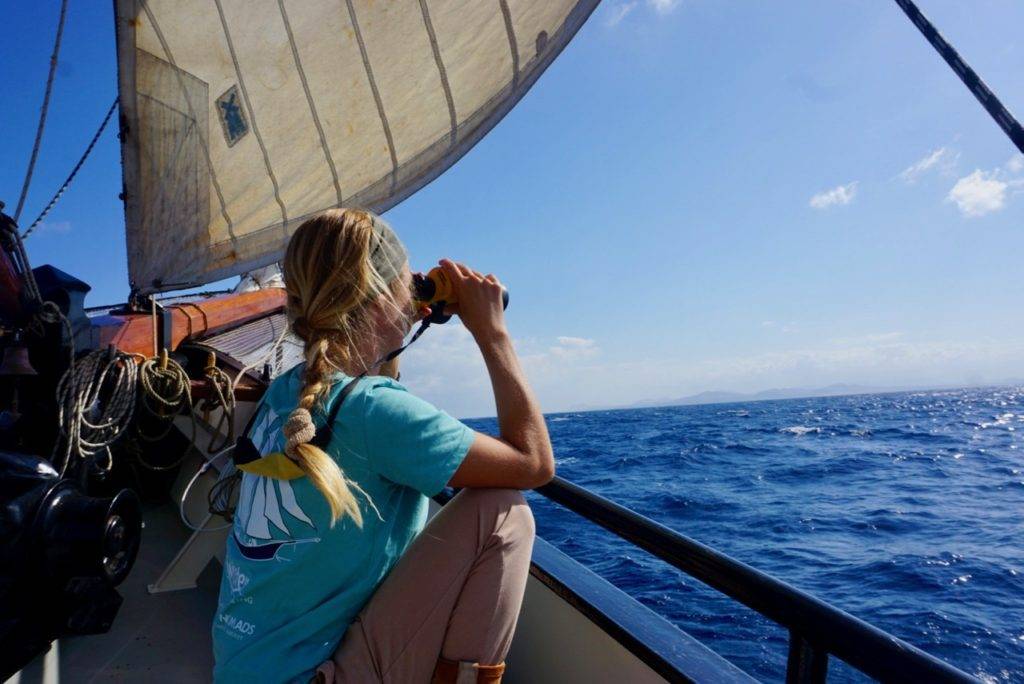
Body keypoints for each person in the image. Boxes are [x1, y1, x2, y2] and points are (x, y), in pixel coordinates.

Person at [212, 209, 554, 684]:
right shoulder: (371, 410)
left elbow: (366, 395)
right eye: (404, 281)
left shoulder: (288, 390)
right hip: (306, 677)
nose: (413, 292)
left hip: (243, 667)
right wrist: (491, 331)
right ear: (378, 300)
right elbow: (534, 463)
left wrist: (393, 331)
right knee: (504, 512)